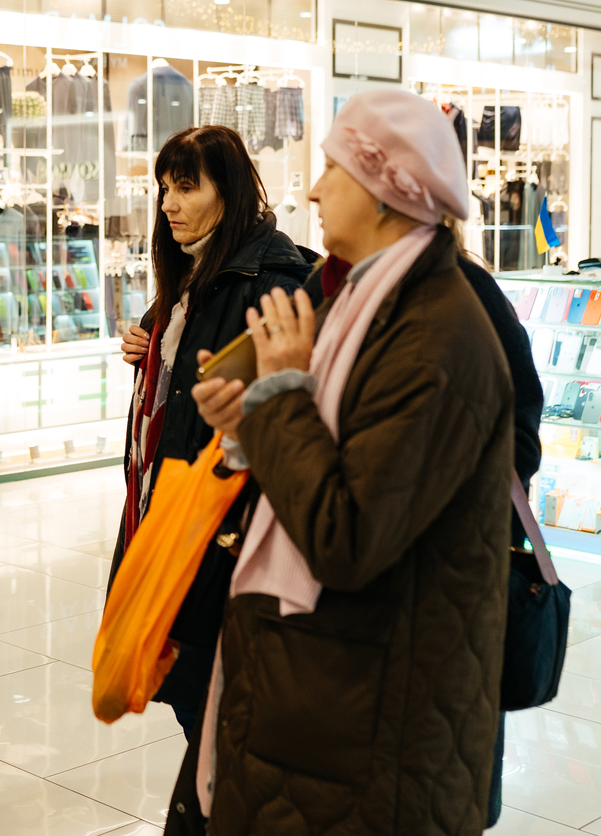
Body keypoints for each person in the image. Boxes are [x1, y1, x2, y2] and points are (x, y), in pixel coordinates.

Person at [174, 88, 514, 836]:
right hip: (328, 696)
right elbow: (328, 457)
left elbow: (347, 536)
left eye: (332, 168)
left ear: (388, 189)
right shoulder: (362, 302)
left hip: (370, 715)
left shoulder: (436, 338)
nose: (313, 188)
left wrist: (282, 397)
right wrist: (250, 423)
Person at [301, 218, 542, 827]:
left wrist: (435, 481)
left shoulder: (465, 297)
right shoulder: (322, 291)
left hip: (438, 582)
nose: (316, 191)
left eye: (337, 169)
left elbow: (521, 433)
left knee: (439, 769)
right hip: (330, 584)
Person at [115, 124, 312, 739]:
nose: (168, 203)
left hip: (218, 533)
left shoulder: (271, 284)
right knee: (190, 703)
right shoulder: (191, 282)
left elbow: (276, 425)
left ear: (226, 192)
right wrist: (148, 343)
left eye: (185, 187)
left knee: (215, 713)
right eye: (163, 188)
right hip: (171, 514)